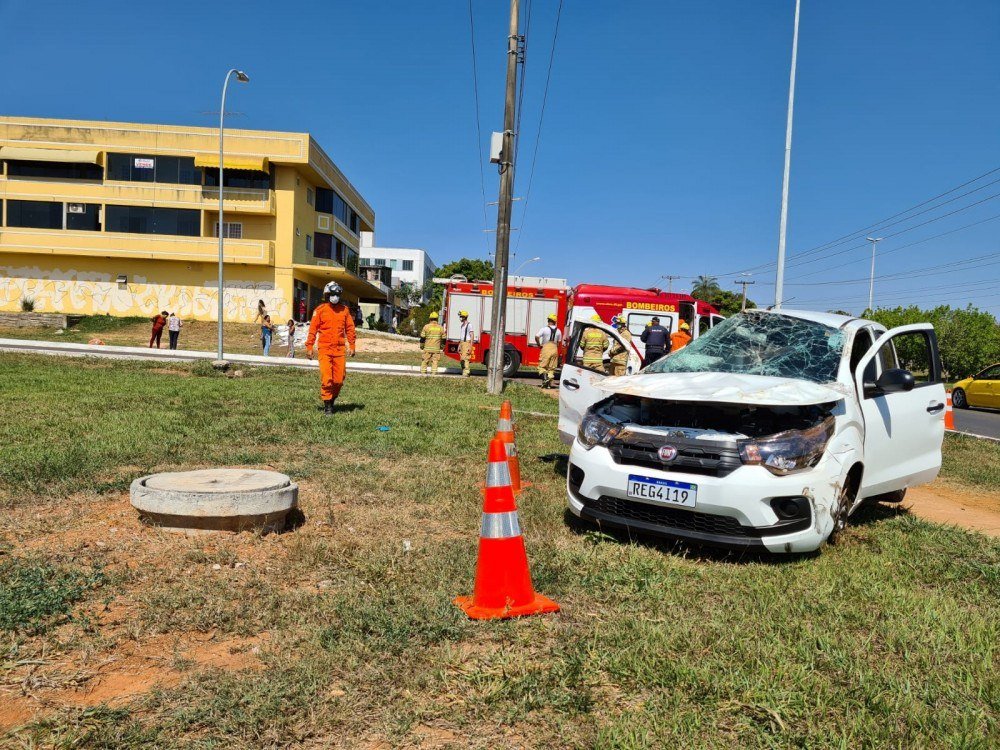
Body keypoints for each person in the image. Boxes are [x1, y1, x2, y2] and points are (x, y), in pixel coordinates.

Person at [306, 281, 357, 415]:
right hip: (325, 349)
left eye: (337, 294)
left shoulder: (345, 311)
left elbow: (350, 329)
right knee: (327, 378)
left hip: (339, 350)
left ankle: (332, 399)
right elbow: (313, 329)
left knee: (339, 380)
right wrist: (309, 346)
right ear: (327, 295)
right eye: (332, 294)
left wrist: (352, 345)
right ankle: (327, 405)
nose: (335, 297)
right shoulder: (320, 310)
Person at [535, 313, 562, 388]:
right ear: (555, 321)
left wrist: (539, 344)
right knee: (551, 368)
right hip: (554, 348)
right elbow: (559, 342)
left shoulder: (544, 329)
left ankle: (544, 379)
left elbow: (536, 336)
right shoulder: (559, 331)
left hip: (546, 348)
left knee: (542, 366)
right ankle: (548, 385)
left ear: (548, 320)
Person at [456, 309, 477, 378]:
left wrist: (471, 346)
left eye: (461, 316)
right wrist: (459, 345)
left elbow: (472, 335)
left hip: (467, 343)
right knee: (462, 359)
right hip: (462, 343)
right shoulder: (462, 325)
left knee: (465, 358)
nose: (460, 318)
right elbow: (461, 336)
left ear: (465, 317)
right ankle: (464, 371)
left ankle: (467, 373)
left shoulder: (469, 325)